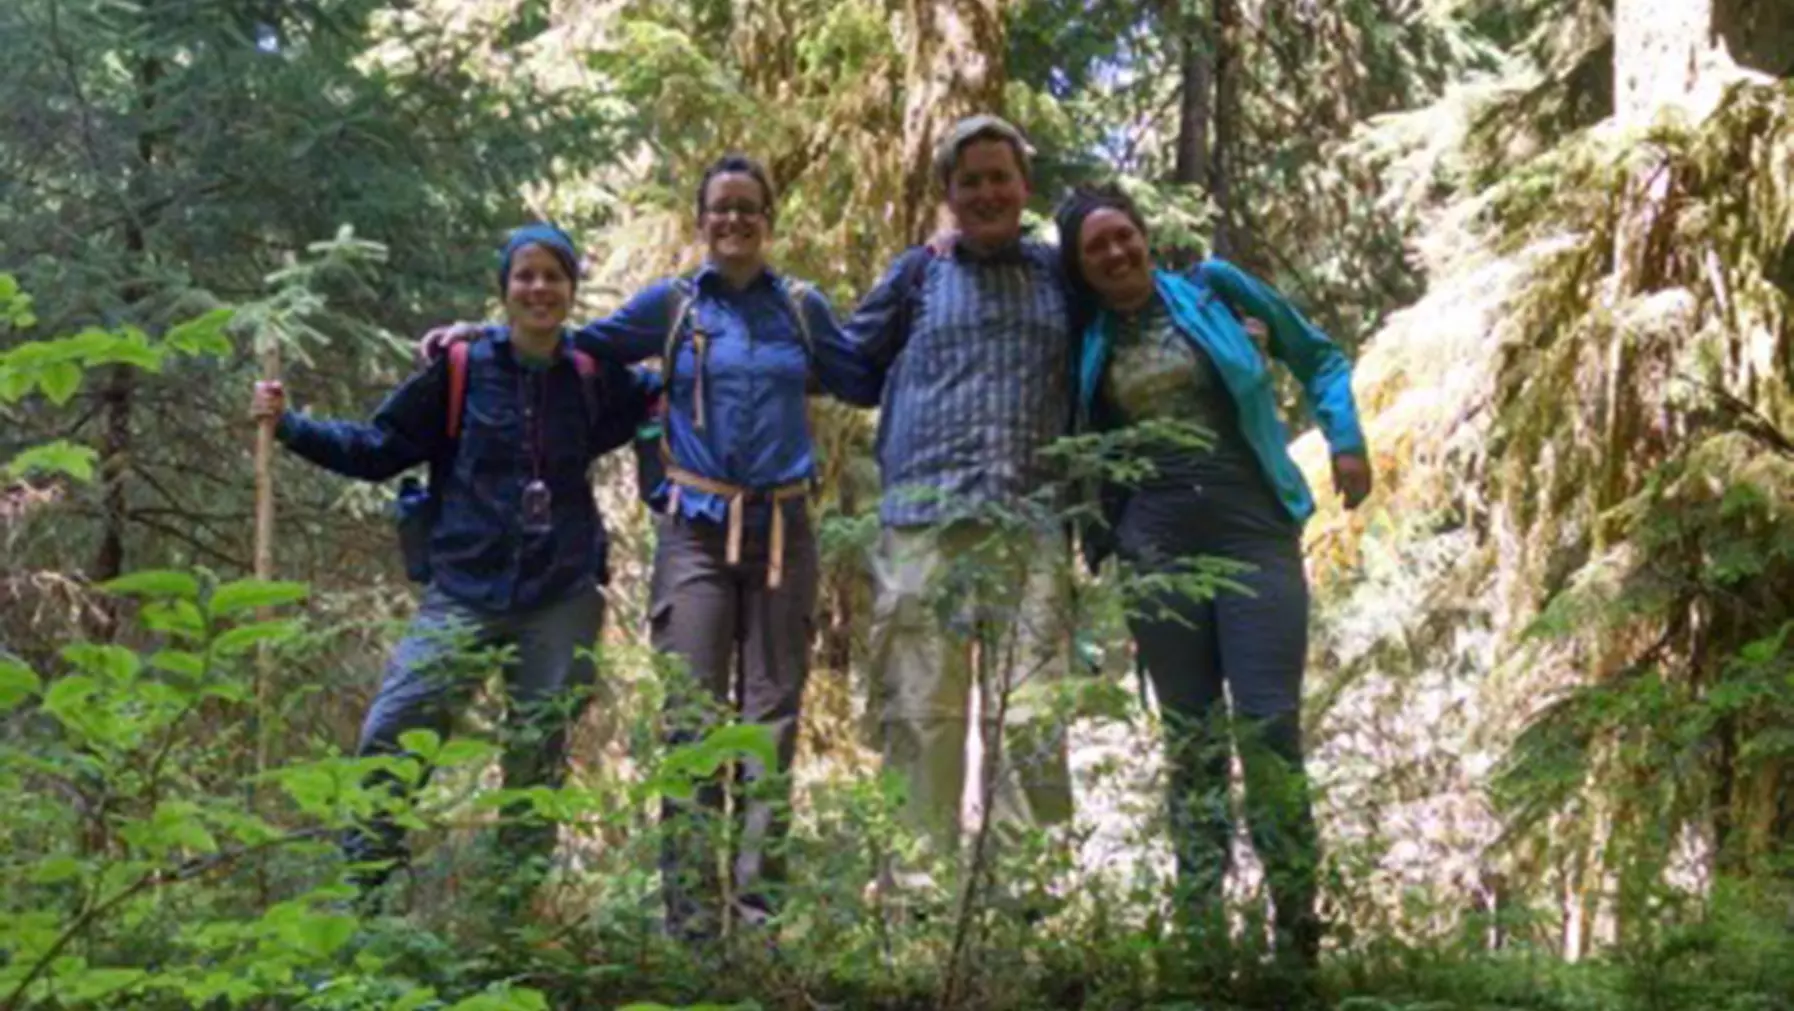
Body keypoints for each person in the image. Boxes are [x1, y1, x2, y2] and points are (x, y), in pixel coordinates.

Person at [422, 155, 875, 941]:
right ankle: (693, 929)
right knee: (693, 723)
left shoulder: (801, 308)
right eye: (719, 210)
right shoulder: (673, 306)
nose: (733, 222)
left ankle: (761, 925)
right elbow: (571, 344)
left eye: (748, 209)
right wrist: (482, 339)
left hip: (784, 532)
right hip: (695, 531)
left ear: (769, 219)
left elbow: (861, 375)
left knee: (772, 724)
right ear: (701, 223)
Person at [250, 223, 658, 909]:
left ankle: (511, 912)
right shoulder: (464, 369)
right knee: (394, 731)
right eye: (524, 276)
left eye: (552, 276)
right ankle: (365, 897)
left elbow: (660, 391)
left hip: (560, 595)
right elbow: (379, 447)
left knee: (537, 753)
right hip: (464, 589)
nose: (539, 289)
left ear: (571, 288)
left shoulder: (592, 374)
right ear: (503, 289)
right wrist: (290, 425)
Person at [1054, 183, 1372, 964]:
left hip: (1252, 523)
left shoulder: (1214, 290)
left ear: (1145, 232)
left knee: (1267, 725)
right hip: (1154, 541)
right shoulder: (1085, 338)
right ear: (1081, 268)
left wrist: (1346, 438)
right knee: (1191, 740)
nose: (1116, 253)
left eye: (1123, 235)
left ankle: (1296, 935)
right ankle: (1201, 942)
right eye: (1097, 248)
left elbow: (1319, 353)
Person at [837, 115, 1078, 885]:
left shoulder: (1059, 277)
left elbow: (1135, 310)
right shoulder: (917, 277)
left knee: (1033, 718)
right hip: (921, 526)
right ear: (947, 194)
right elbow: (843, 361)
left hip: (1031, 524)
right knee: (919, 714)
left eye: (998, 176)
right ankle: (914, 899)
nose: (986, 193)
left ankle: (1026, 903)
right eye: (969, 180)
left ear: (1024, 187)